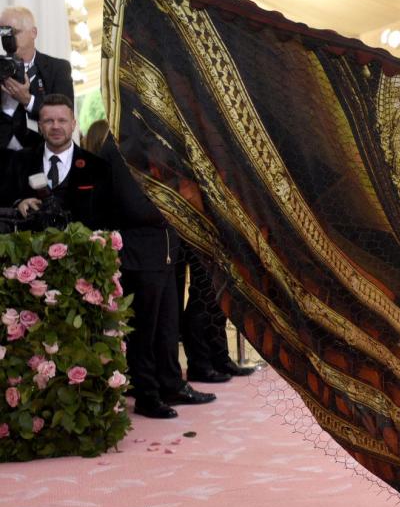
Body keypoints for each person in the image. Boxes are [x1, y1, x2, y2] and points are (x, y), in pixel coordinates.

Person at [97, 130, 217, 418]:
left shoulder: (157, 141)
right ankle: (147, 394)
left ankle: (171, 384)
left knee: (167, 325)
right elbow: (133, 206)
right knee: (145, 330)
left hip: (165, 248)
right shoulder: (119, 146)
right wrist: (179, 200)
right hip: (139, 252)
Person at [1, 94, 112, 229]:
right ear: (40, 126)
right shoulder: (19, 161)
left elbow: (108, 218)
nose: (55, 126)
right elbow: (4, 200)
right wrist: (18, 204)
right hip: (31, 248)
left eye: (62, 120)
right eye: (48, 121)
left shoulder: (98, 167)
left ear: (73, 124)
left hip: (81, 248)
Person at [1, 6, 73, 154]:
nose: (7, 39)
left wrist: (28, 100)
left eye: (13, 32)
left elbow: (64, 113)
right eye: (3, 33)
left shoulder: (57, 68)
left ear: (33, 33)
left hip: (41, 155)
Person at [180, 250, 258, 383]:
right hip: (198, 241)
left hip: (218, 240)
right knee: (201, 298)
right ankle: (200, 365)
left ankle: (220, 359)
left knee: (219, 300)